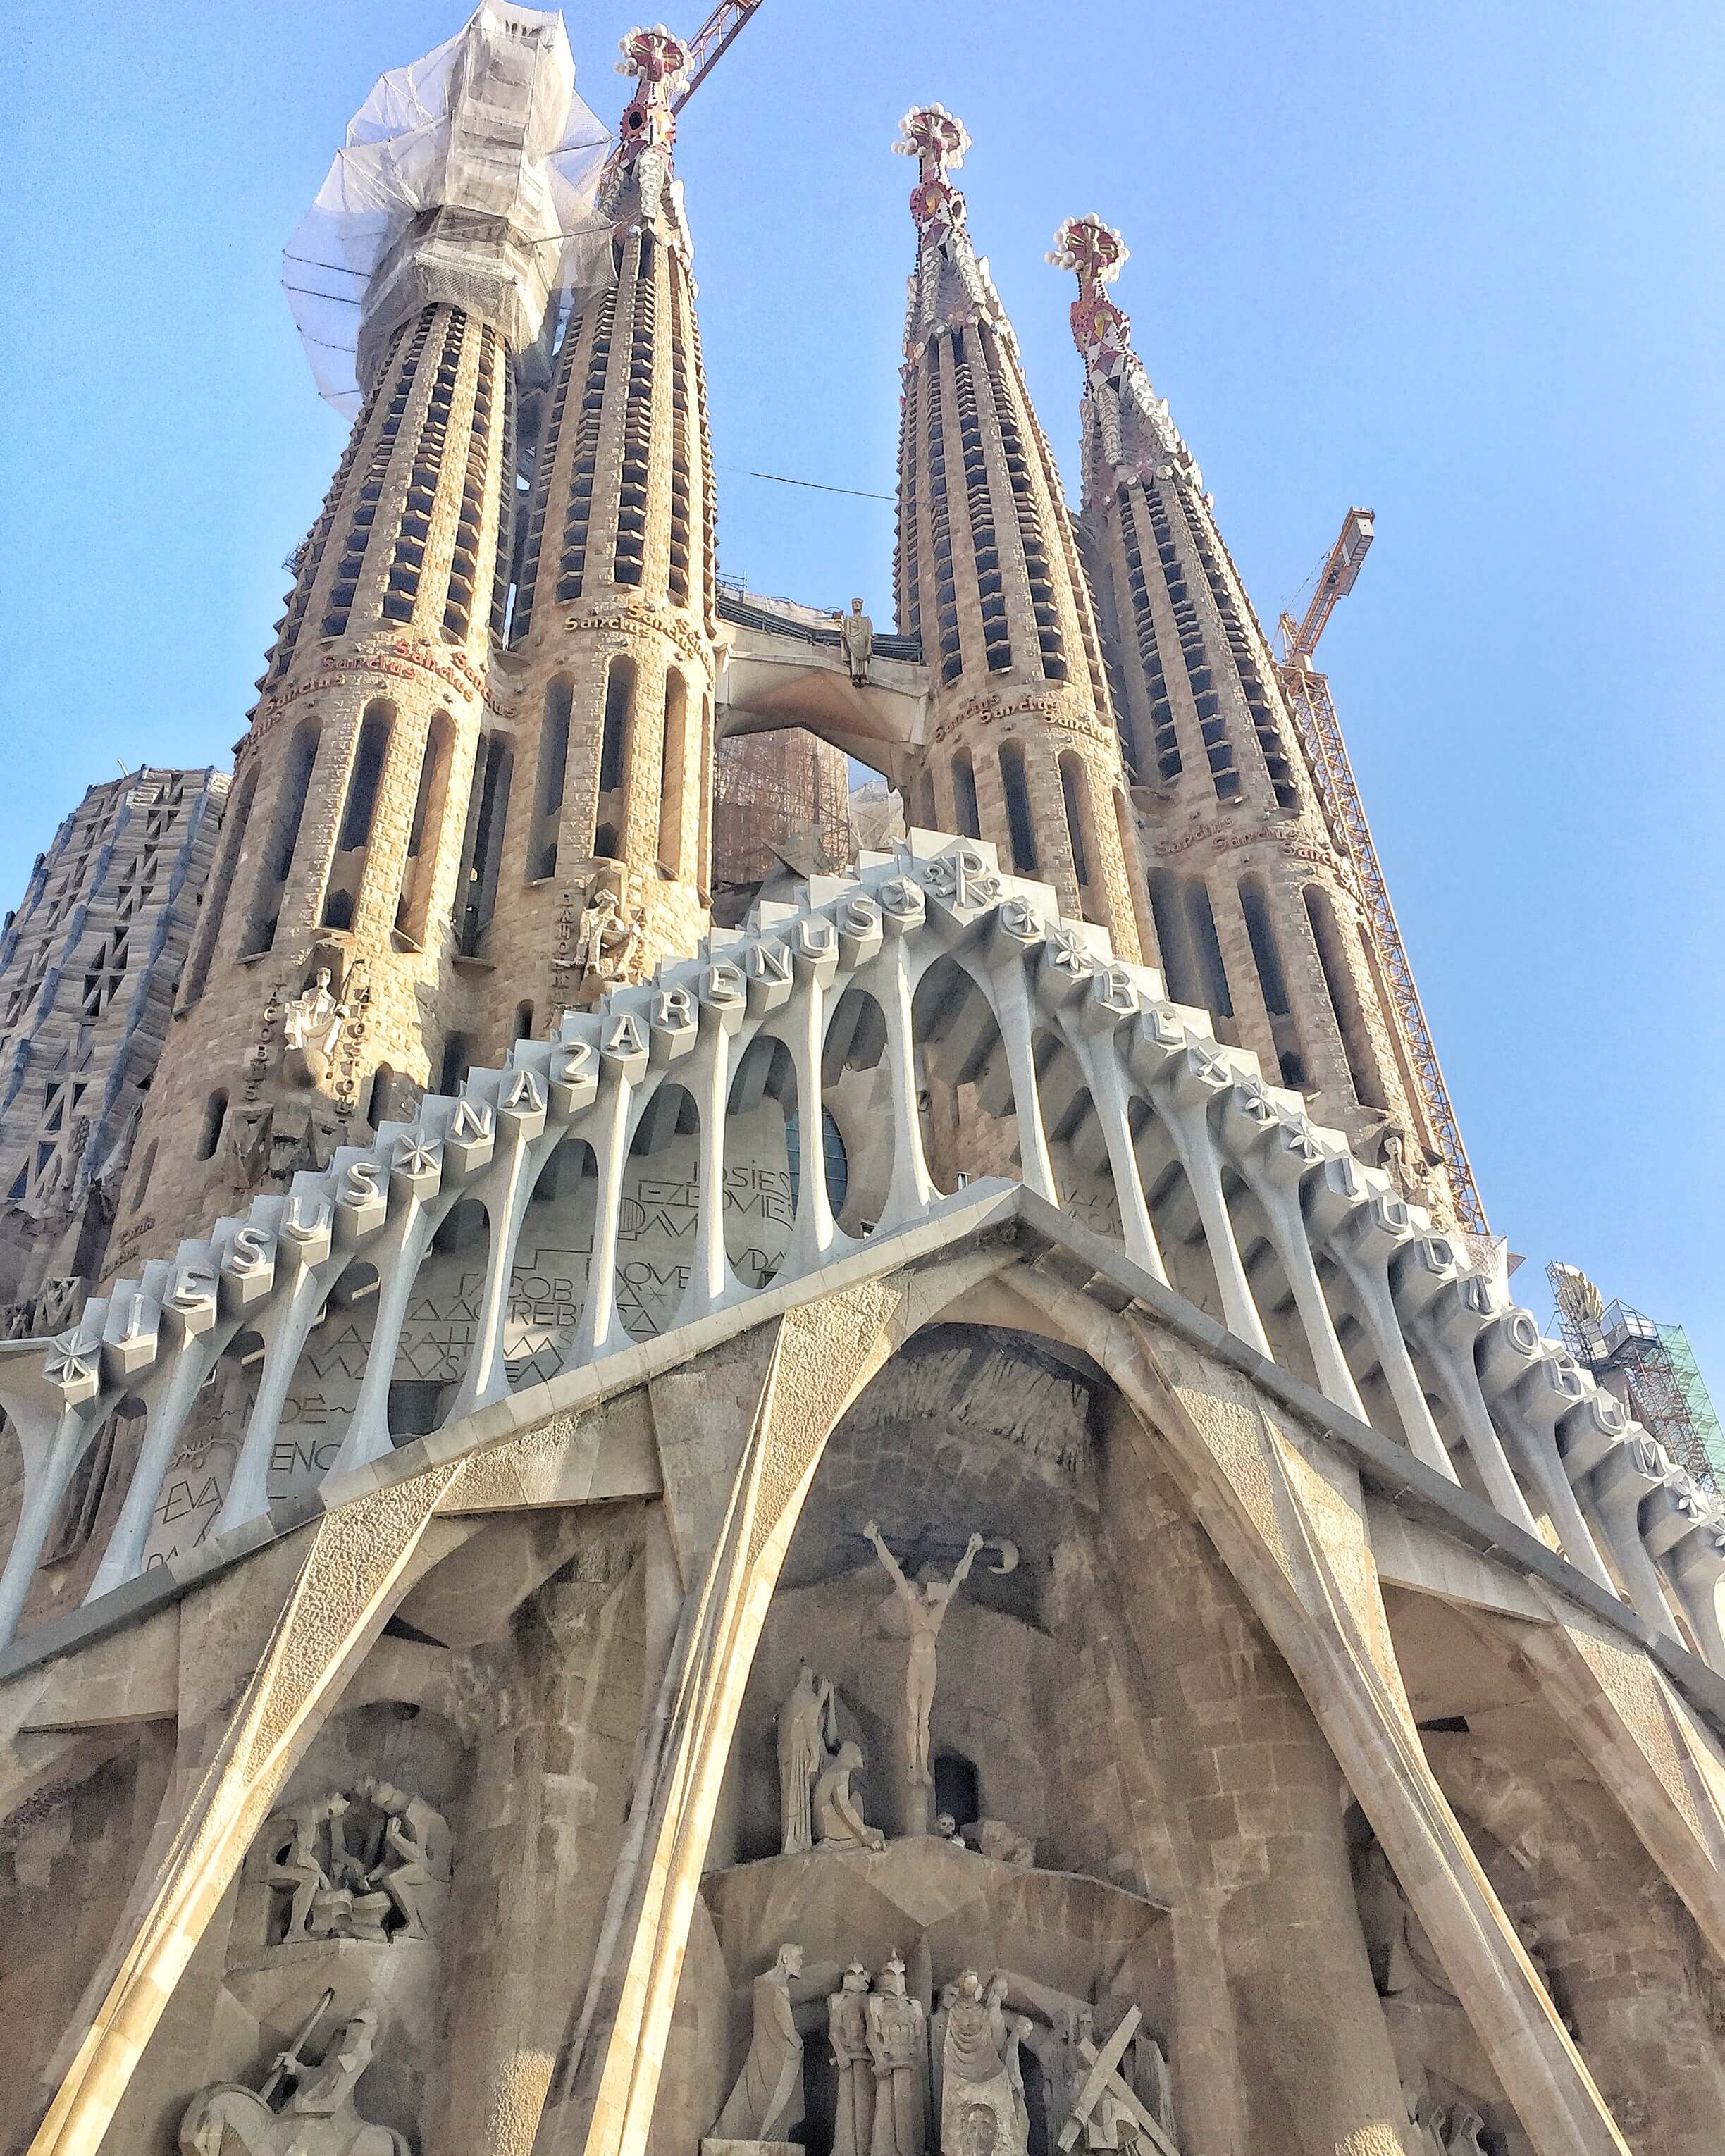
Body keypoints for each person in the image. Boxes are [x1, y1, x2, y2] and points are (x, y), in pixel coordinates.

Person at [864, 1522, 986, 1786]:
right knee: (913, 1716)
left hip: (929, 1665)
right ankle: (912, 1764)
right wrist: (876, 1539)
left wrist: (972, 1550)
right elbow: (894, 1570)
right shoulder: (913, 1607)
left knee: (924, 1720)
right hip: (917, 1663)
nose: (929, 1592)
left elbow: (957, 1579)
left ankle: (922, 1766)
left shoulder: (938, 1612)